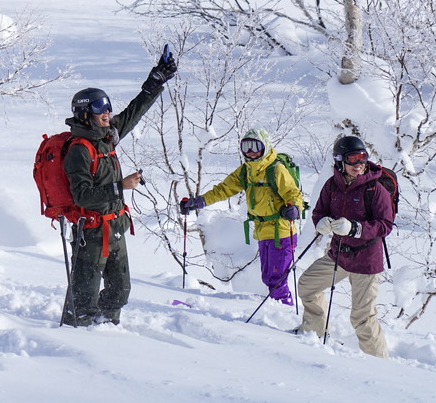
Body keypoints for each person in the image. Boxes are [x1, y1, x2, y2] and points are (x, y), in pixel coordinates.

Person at [61, 49, 178, 326]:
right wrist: (119, 187)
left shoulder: (107, 136)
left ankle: (106, 333)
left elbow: (134, 112)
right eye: (101, 109)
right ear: (85, 114)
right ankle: (74, 335)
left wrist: (156, 80)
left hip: (115, 228)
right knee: (83, 298)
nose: (108, 113)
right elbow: (82, 196)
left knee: (120, 291)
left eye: (108, 107)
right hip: (90, 233)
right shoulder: (79, 149)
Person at [179, 127, 305, 305]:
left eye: (255, 146)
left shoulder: (276, 169)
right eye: (246, 147)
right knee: (268, 276)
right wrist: (199, 202)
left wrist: (294, 208)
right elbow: (223, 189)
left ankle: (284, 313)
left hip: (282, 232)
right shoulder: (246, 171)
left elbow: (293, 193)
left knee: (277, 279)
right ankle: (277, 310)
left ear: (265, 147)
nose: (251, 151)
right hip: (262, 232)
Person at [294, 134, 394, 358]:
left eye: (362, 158)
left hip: (367, 261)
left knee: (362, 317)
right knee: (307, 285)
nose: (359, 164)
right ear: (340, 161)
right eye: (353, 158)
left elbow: (385, 225)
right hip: (339, 256)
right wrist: (321, 222)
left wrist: (355, 228)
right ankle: (313, 333)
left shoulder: (375, 189)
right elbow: (319, 211)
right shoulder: (332, 186)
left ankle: (379, 364)